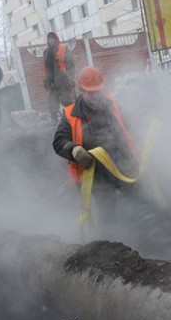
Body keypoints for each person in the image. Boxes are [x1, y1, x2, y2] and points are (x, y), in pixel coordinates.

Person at [53, 66, 155, 235]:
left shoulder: (112, 104)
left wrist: (144, 120)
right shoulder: (70, 114)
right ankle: (112, 246)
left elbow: (127, 125)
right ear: (80, 90)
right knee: (108, 215)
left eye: (96, 92)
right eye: (89, 93)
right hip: (97, 174)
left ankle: (154, 233)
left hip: (121, 163)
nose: (93, 97)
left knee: (143, 203)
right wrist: (75, 150)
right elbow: (59, 142)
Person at [43, 32, 75, 123]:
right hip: (52, 83)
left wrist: (71, 78)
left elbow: (71, 65)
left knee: (67, 101)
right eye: (49, 39)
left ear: (56, 39)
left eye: (53, 38)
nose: (51, 40)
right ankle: (54, 120)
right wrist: (45, 80)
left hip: (63, 80)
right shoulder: (46, 52)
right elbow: (44, 68)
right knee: (52, 102)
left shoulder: (63, 48)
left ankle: (73, 117)